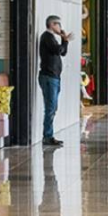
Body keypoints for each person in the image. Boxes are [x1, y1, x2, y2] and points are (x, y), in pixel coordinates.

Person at [39, 15, 74, 146]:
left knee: (53, 107)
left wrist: (64, 40)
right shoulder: (47, 37)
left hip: (54, 77)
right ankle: (47, 136)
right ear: (52, 25)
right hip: (48, 77)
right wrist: (64, 40)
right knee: (50, 107)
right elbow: (58, 50)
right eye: (58, 24)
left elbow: (63, 52)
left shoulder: (52, 38)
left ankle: (49, 135)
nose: (60, 27)